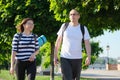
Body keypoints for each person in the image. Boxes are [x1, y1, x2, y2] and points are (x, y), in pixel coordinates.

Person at [54, 9, 91, 80]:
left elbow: (87, 44)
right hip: (65, 58)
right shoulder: (64, 26)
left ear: (78, 16)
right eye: (70, 14)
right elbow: (58, 41)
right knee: (68, 78)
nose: (72, 16)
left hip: (77, 59)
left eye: (74, 14)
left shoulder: (83, 28)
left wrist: (88, 57)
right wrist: (55, 56)